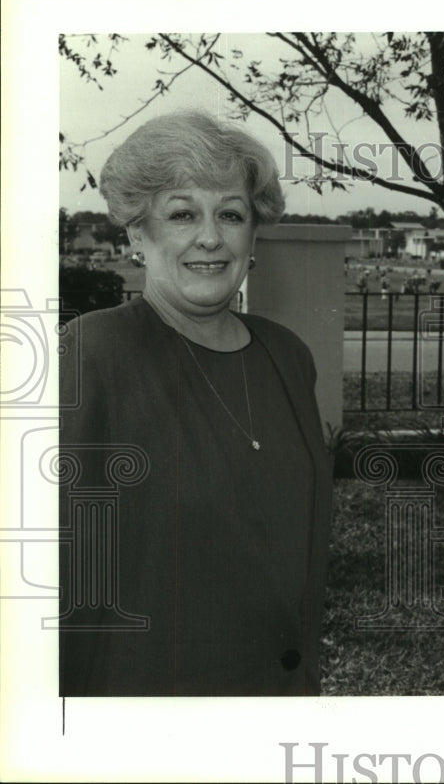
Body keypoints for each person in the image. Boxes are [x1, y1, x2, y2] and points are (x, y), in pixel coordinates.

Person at [58, 111, 332, 696]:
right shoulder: (92, 355)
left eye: (230, 214)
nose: (210, 237)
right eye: (182, 214)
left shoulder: (288, 358)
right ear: (137, 233)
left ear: (253, 235)